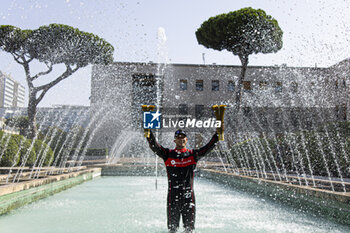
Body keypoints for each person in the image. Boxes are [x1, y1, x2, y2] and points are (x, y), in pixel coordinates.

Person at [146, 129, 219, 233]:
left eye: (183, 137)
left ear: (186, 139)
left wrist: (218, 134)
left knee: (189, 229)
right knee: (172, 229)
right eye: (178, 137)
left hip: (189, 197)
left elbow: (208, 147)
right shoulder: (168, 154)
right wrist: (148, 133)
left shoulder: (193, 154)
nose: (181, 139)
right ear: (174, 140)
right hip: (173, 197)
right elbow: (155, 146)